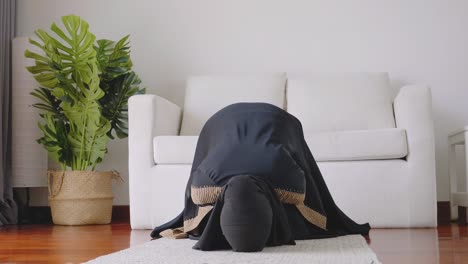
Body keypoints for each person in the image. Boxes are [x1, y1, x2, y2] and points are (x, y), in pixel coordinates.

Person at [151, 102, 370, 252]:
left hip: (266, 119)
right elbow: (303, 192)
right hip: (224, 121)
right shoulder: (285, 179)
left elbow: (196, 199)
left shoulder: (207, 182)